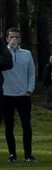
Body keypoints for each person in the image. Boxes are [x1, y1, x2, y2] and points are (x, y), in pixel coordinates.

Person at [3, 27, 36, 162]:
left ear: (20, 39)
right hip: (6, 94)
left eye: (17, 37)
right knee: (8, 126)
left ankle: (28, 154)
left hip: (23, 95)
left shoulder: (26, 54)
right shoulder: (3, 54)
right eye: (11, 37)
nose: (14, 40)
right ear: (7, 39)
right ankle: (12, 154)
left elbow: (31, 73)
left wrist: (29, 89)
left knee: (26, 125)